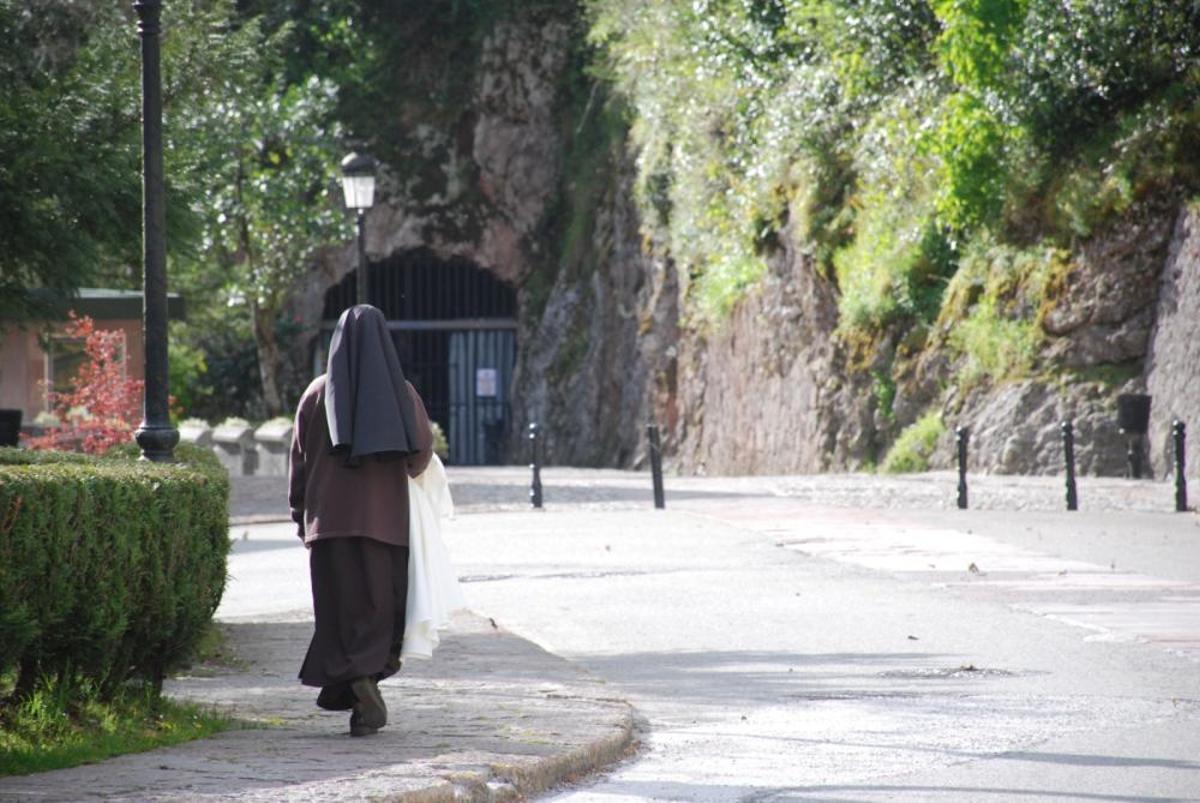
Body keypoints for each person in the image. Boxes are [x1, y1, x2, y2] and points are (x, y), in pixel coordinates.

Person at [288, 304, 434, 737]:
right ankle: (365, 680)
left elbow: (298, 462)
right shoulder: (401, 393)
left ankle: (356, 686)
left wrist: (302, 518)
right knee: (382, 614)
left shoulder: (316, 393)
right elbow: (419, 457)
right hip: (386, 528)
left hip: (327, 527)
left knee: (337, 614)